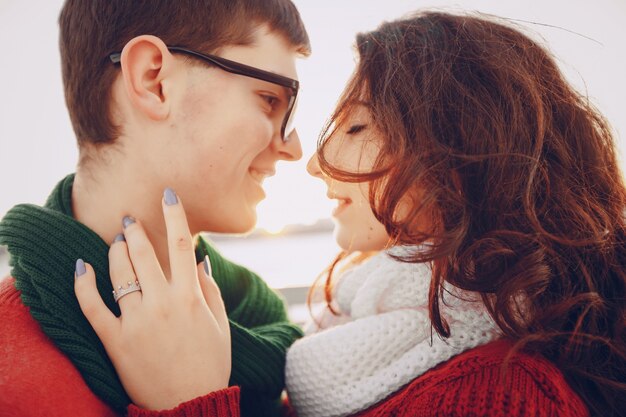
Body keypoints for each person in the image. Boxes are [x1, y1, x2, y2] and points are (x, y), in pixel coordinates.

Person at [78, 10, 626, 417]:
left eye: (357, 127)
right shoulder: (355, 342)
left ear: (459, 153)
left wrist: (190, 403)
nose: (315, 162)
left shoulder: (502, 395)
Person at [0, 1, 311, 416]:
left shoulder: (262, 327)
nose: (294, 147)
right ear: (154, 80)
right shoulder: (11, 379)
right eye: (270, 98)